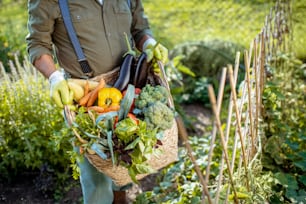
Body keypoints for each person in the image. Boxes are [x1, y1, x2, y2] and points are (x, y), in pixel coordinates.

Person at [26, 0, 168, 203]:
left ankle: (121, 197)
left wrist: (148, 43)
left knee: (126, 157)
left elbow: (139, 28)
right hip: (86, 98)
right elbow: (37, 44)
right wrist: (55, 78)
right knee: (96, 175)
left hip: (130, 91)